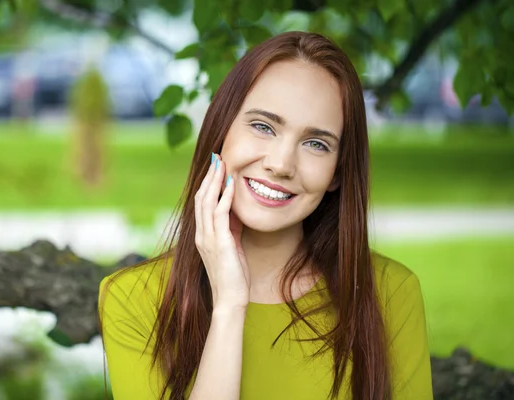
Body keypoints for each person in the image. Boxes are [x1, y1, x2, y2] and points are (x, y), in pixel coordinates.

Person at [98, 31, 433, 400]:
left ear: (337, 172)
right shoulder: (132, 298)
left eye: (316, 144)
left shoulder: (390, 292)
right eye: (263, 126)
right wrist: (229, 307)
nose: (280, 164)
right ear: (221, 129)